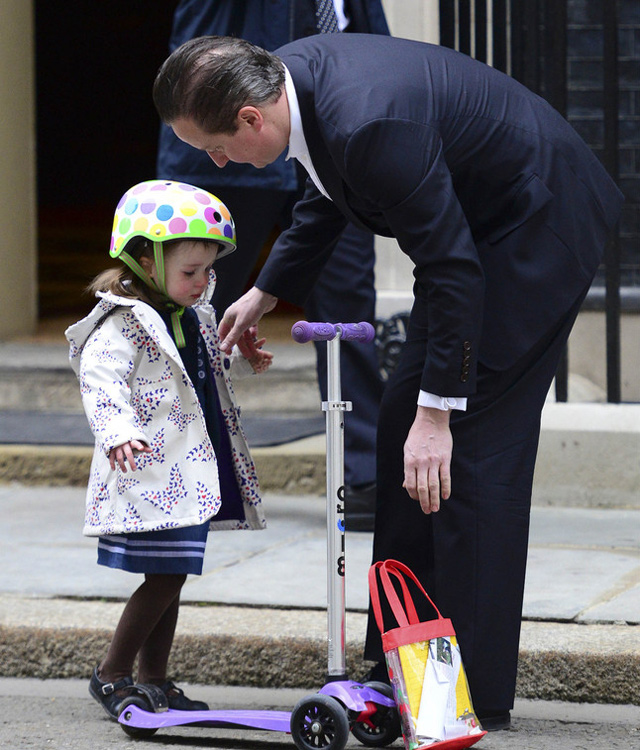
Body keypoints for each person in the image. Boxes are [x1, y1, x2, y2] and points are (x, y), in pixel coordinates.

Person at [152, 35, 624, 729]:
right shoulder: (295, 89)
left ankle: (467, 694)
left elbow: (452, 268)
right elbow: (329, 189)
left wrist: (438, 417)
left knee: (464, 451)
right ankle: (403, 668)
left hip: (534, 226)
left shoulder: (366, 119)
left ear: (252, 118)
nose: (217, 163)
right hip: (471, 237)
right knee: (410, 423)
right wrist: (268, 289)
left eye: (216, 147)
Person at [156, 1, 391, 531]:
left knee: (348, 306)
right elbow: (195, 47)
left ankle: (364, 475)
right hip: (233, 148)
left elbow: (371, 42)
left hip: (329, 143)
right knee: (197, 311)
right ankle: (179, 468)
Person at [65, 179, 272, 721]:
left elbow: (201, 376)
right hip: (151, 471)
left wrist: (241, 356)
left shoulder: (194, 316)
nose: (203, 282)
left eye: (209, 271)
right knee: (165, 575)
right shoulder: (121, 323)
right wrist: (117, 433)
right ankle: (111, 674)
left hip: (190, 468)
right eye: (190, 271)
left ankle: (154, 678)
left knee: (174, 572)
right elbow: (100, 382)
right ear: (145, 262)